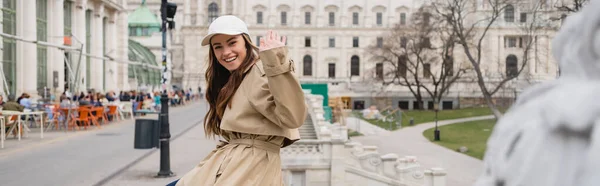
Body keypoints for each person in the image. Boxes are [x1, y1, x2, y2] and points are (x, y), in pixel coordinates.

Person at [172, 15, 307, 186]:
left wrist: (276, 63)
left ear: (246, 42)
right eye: (218, 47)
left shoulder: (260, 70)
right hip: (235, 162)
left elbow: (293, 116)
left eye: (232, 42)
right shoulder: (236, 77)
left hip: (249, 167)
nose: (226, 52)